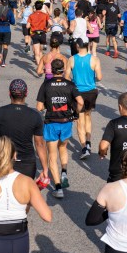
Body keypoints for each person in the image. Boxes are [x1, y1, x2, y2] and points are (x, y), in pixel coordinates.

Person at [0, 79, 49, 184]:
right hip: (27, 163)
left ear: (9, 93)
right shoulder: (35, 115)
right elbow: (39, 144)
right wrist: (45, 168)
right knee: (24, 195)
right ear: (26, 94)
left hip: (5, 160)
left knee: (5, 193)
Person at [36, 59, 84, 199]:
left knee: (52, 155)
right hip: (66, 122)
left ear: (51, 70)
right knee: (63, 148)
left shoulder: (46, 85)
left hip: (51, 122)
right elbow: (80, 102)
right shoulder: (70, 84)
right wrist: (76, 113)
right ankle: (64, 172)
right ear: (63, 70)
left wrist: (48, 105)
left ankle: (58, 188)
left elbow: (39, 107)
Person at [66, 38, 103, 160]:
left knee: (79, 120)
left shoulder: (71, 59)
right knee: (88, 116)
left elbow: (66, 77)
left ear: (77, 46)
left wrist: (74, 80)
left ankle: (84, 147)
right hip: (91, 91)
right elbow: (99, 77)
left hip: (78, 92)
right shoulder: (94, 59)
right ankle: (88, 142)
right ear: (88, 45)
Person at [27, 1, 52, 66]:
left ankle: (39, 66)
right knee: (41, 52)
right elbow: (51, 23)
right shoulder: (45, 15)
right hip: (43, 33)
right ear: (41, 7)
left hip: (35, 34)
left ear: (35, 7)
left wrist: (32, 24)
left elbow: (27, 26)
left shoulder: (31, 15)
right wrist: (46, 28)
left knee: (37, 53)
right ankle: (41, 65)